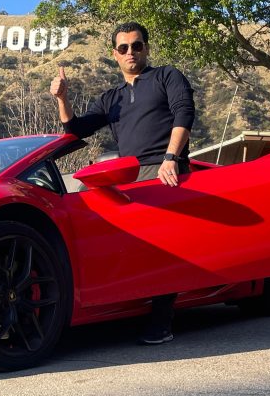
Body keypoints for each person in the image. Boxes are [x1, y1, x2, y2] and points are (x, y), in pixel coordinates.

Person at [49, 20, 195, 345]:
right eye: (124, 47)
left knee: (160, 246)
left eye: (137, 45)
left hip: (164, 169)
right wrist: (62, 99)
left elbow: (184, 113)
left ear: (146, 48)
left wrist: (171, 158)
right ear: (115, 54)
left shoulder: (166, 76)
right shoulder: (110, 99)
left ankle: (161, 320)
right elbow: (76, 131)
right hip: (128, 176)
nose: (131, 52)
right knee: (119, 238)